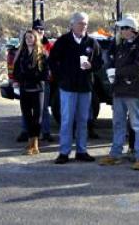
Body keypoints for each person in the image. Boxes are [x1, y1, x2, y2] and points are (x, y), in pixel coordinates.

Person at [99, 15, 139, 170]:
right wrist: (111, 69)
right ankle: (115, 154)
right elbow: (112, 58)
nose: (121, 31)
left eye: (123, 28)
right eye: (120, 28)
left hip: (133, 90)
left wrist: (117, 72)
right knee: (118, 123)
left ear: (132, 30)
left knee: (137, 124)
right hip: (119, 90)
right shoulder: (122, 44)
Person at [49, 12, 103, 164]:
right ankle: (64, 152)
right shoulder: (63, 41)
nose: (83, 26)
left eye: (85, 23)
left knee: (83, 120)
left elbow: (100, 63)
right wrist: (61, 78)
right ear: (72, 24)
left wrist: (91, 65)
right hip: (68, 88)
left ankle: (81, 150)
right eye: (80, 23)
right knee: (67, 120)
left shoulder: (92, 43)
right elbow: (52, 61)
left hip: (85, 88)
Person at [16, 19, 55, 143]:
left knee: (42, 110)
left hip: (41, 85)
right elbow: (16, 68)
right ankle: (26, 132)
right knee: (26, 110)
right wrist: (17, 80)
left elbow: (49, 66)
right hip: (25, 85)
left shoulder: (48, 46)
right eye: (37, 29)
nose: (39, 31)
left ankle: (45, 132)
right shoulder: (22, 50)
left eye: (41, 29)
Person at [13, 30, 49, 155]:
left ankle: (35, 144)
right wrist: (18, 80)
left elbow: (45, 73)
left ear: (35, 39)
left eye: (31, 37)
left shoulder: (42, 53)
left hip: (38, 89)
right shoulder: (21, 54)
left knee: (37, 117)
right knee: (27, 116)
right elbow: (16, 71)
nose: (29, 39)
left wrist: (34, 77)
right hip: (25, 88)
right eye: (26, 37)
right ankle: (30, 142)